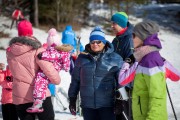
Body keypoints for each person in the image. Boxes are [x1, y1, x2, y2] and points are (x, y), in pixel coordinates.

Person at [6, 20, 61, 120]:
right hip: (40, 94)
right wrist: (57, 80)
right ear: (31, 32)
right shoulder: (37, 50)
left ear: (19, 33)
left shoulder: (10, 52)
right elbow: (49, 69)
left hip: (20, 96)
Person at [68, 26, 124, 120]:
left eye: (98, 41)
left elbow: (122, 82)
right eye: (92, 42)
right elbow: (75, 81)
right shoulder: (82, 58)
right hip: (88, 106)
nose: (95, 44)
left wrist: (120, 101)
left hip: (107, 106)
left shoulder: (115, 59)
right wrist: (72, 99)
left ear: (104, 42)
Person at [118, 20, 168, 120]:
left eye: (134, 35)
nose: (131, 38)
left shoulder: (151, 60)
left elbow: (157, 97)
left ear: (143, 37)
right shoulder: (143, 58)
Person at [26, 28, 72, 113]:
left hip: (49, 71)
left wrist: (41, 55)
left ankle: (39, 102)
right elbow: (66, 64)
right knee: (40, 84)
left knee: (39, 82)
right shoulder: (62, 52)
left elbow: (52, 55)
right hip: (51, 71)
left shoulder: (55, 51)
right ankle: (38, 102)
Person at [111, 11, 134, 120]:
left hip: (126, 86)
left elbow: (131, 64)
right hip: (117, 84)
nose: (112, 26)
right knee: (118, 114)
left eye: (114, 23)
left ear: (121, 24)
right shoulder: (116, 40)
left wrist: (124, 90)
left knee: (129, 114)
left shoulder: (129, 39)